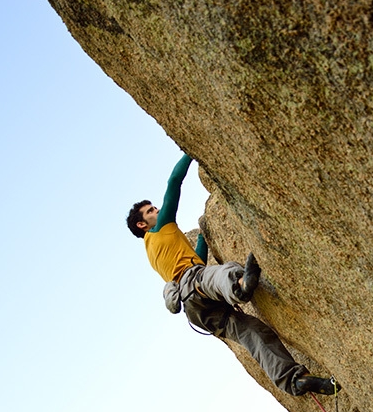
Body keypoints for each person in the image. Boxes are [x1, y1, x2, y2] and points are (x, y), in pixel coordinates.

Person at [126, 153, 339, 396]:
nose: (158, 209)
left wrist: (204, 234)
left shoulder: (153, 252)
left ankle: (294, 380)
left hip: (198, 311)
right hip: (195, 283)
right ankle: (239, 286)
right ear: (143, 224)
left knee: (254, 333)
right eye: (151, 210)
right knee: (223, 274)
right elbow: (174, 181)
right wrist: (189, 151)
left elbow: (198, 259)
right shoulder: (162, 227)